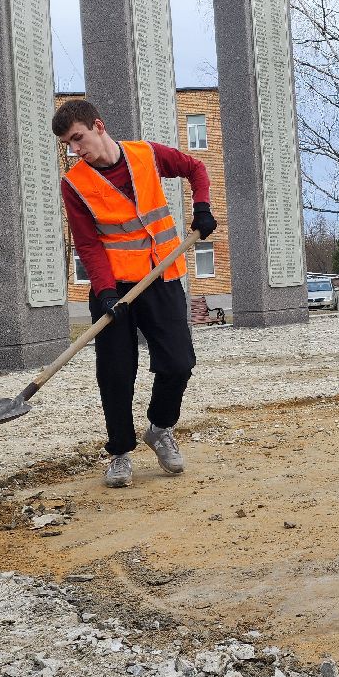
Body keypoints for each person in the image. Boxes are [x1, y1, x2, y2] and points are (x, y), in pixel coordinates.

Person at [53, 98, 218, 488]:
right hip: (114, 290)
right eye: (69, 145)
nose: (77, 150)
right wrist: (107, 293)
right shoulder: (75, 184)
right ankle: (120, 452)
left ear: (98, 125)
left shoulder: (146, 155)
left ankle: (160, 428)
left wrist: (203, 207)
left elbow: (195, 167)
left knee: (178, 363)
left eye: (78, 139)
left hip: (161, 277)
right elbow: (89, 245)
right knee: (115, 373)